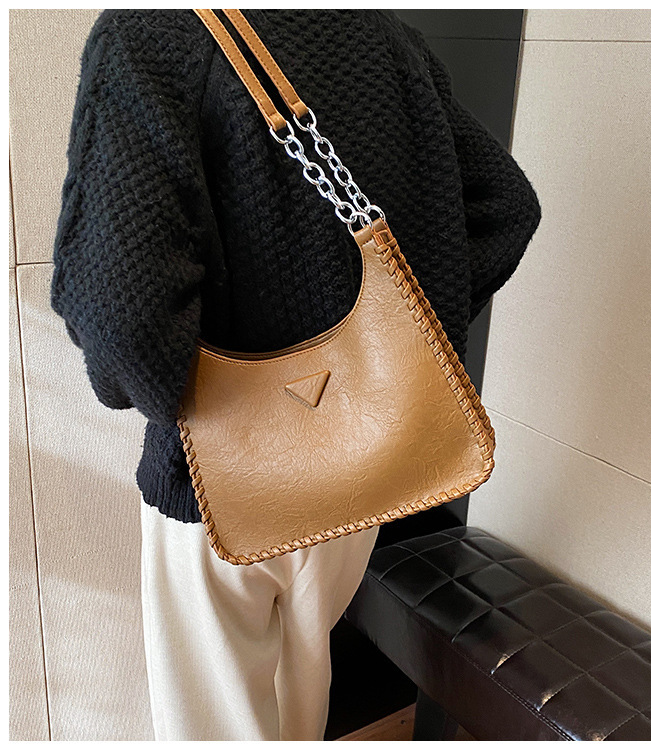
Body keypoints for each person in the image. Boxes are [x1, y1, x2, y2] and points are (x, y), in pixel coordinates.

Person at [50, 8, 541, 742]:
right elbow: (504, 205)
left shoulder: (149, 35)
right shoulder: (386, 38)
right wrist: (395, 352)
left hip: (220, 489)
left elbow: (126, 324)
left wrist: (159, 388)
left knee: (214, 727)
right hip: (359, 473)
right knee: (299, 704)